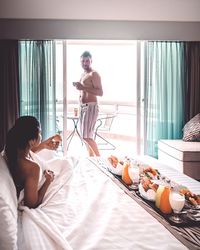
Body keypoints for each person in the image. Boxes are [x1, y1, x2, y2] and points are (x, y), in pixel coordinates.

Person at [4, 116, 62, 208]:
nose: (41, 135)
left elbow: (28, 152)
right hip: (48, 179)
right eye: (39, 133)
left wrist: (43, 145)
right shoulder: (33, 168)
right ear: (31, 141)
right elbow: (31, 204)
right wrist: (48, 180)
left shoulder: (15, 150)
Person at [73, 51, 103, 156]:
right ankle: (91, 158)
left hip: (91, 107)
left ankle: (99, 159)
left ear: (91, 61)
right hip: (83, 107)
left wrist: (83, 87)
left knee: (87, 136)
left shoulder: (94, 74)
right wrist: (79, 87)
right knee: (84, 135)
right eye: (83, 61)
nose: (85, 63)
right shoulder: (83, 74)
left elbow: (100, 92)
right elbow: (84, 90)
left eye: (87, 61)